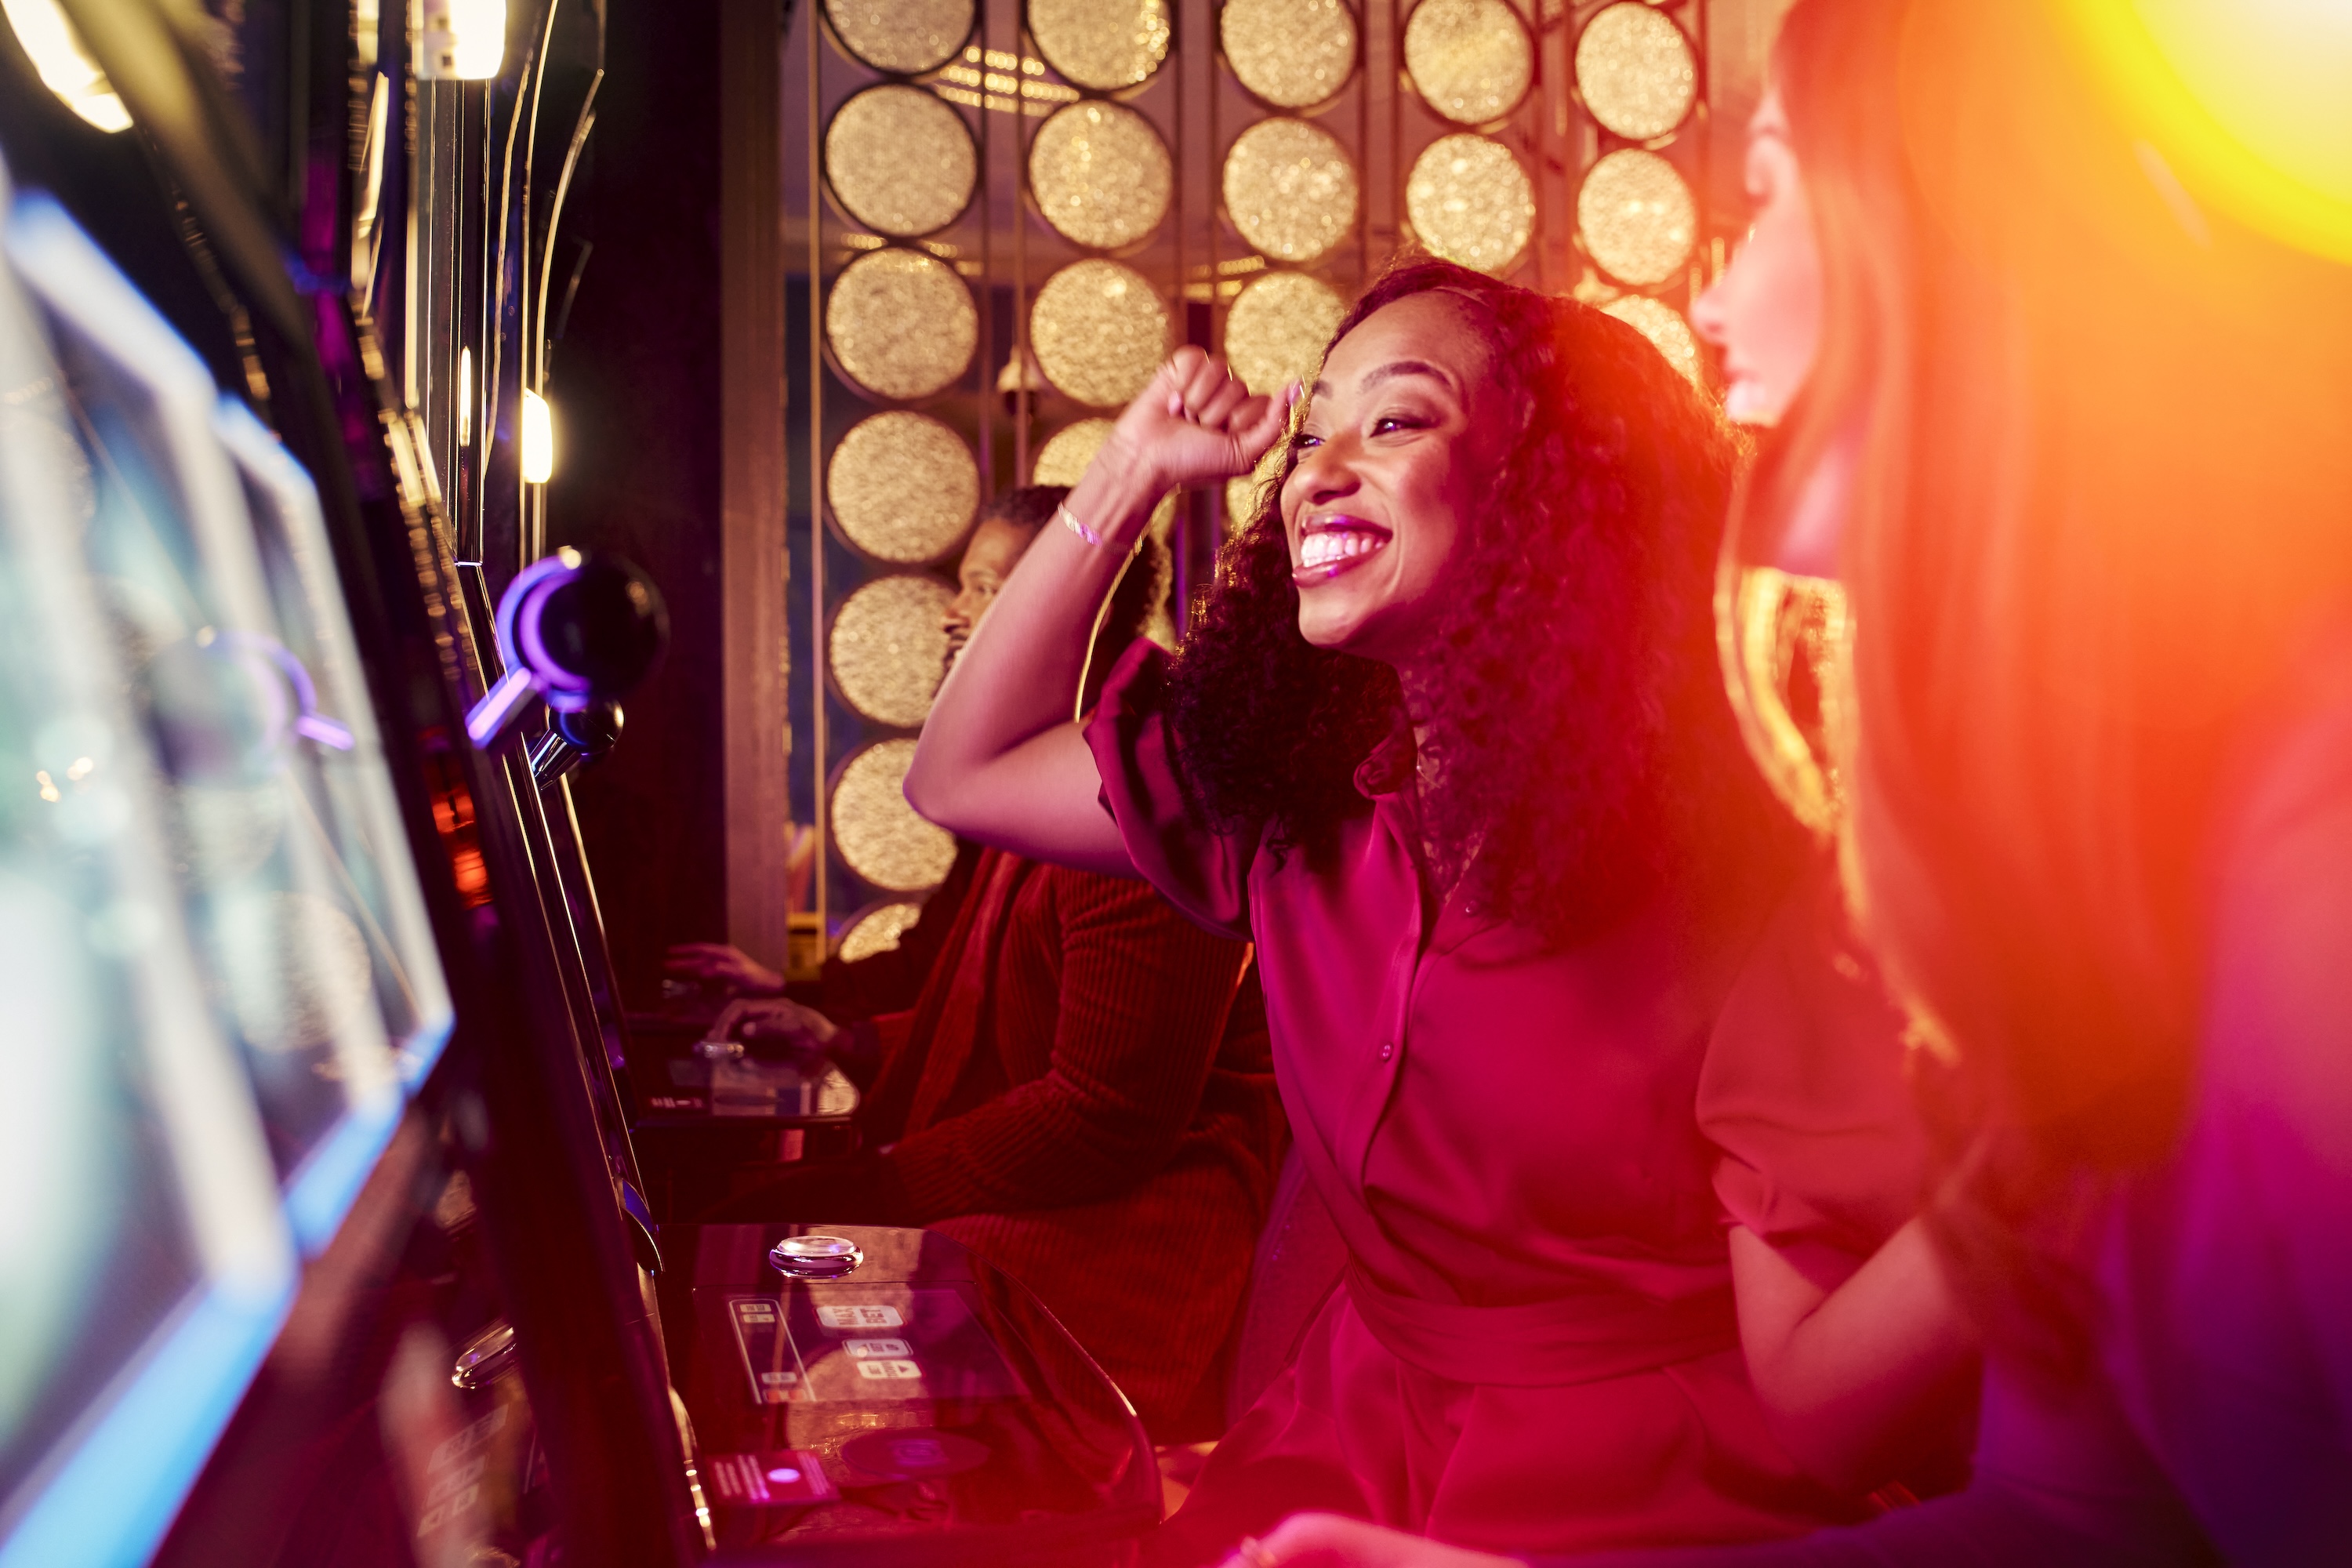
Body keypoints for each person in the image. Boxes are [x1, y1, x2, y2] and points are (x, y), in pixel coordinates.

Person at [1223, 0, 2352, 1562]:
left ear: (1987, 239)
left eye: (1763, 198)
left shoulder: (2310, 832)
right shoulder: (2113, 830)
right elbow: (2071, 1518)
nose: (1719, 301)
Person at [906, 260, 1959, 1560]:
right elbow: (959, 775)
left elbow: (1828, 1406)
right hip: (1344, 1438)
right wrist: (1130, 472)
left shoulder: (1746, 872)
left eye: (1395, 420)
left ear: (1548, 492)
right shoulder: (1290, 793)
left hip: (1649, 1489)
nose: (1317, 471)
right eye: (1311, 431)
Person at [671, 485, 1286, 1439]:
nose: (956, 612)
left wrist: (882, 1184)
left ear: (1068, 600)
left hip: (1132, 1238)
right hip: (1062, 1197)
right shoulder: (1052, 762)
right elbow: (988, 1002)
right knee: (730, 1239)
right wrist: (842, 1037)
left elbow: (1105, 1117)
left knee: (756, 1283)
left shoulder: (1143, 780)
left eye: (992, 586)